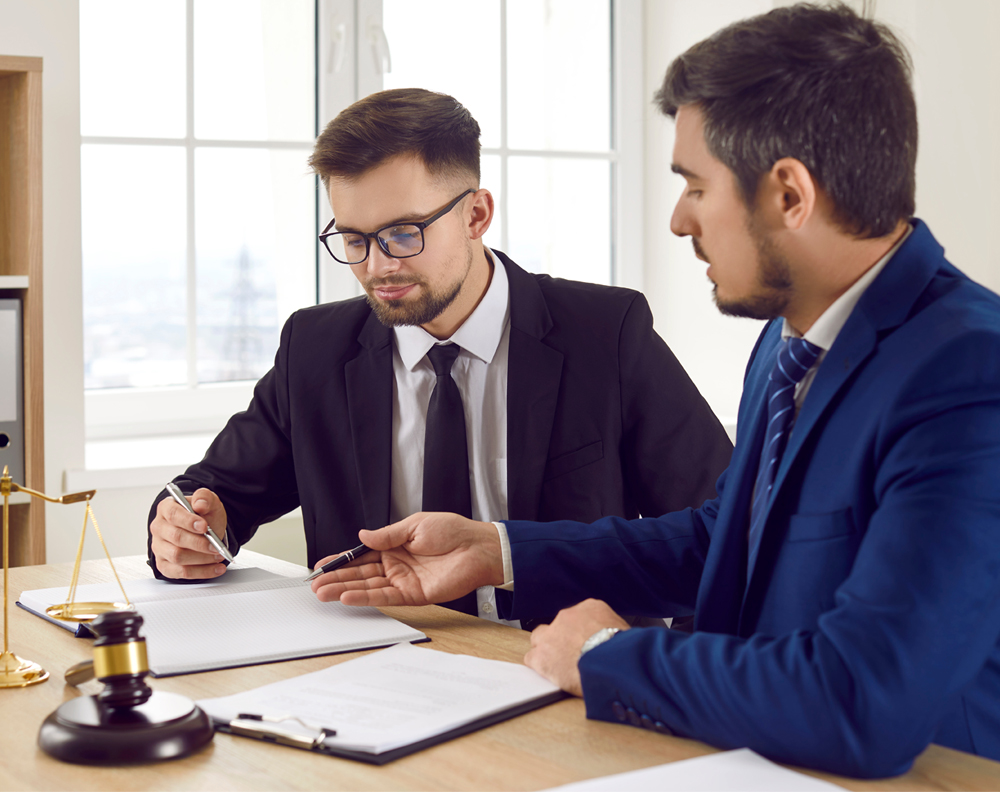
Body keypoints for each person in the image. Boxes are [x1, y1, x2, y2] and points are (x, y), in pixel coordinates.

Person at [310, 2, 1000, 778]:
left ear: (790, 195)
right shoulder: (792, 338)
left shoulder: (970, 375)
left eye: (695, 187)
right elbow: (724, 541)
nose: (677, 221)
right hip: (753, 758)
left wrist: (612, 656)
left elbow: (863, 699)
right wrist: (494, 550)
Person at [146, 88, 732, 625]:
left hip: (558, 671)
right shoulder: (315, 348)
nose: (376, 267)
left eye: (403, 234)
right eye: (353, 240)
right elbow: (216, 492)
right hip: (375, 672)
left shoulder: (606, 333)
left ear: (476, 214)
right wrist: (187, 530)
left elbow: (726, 530)